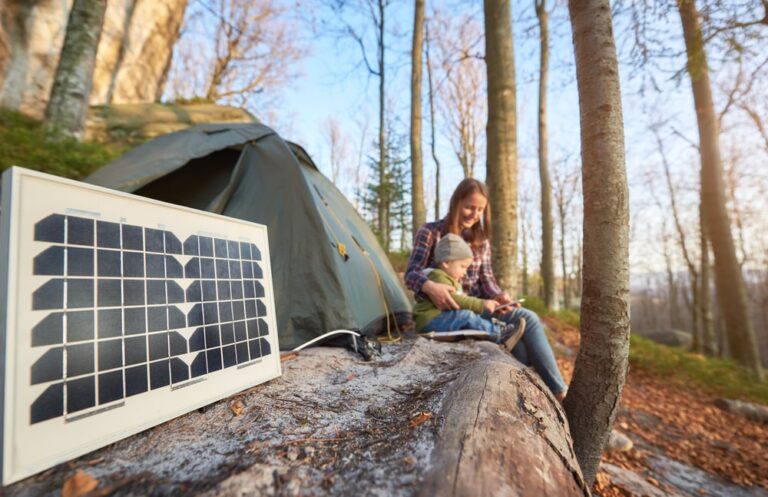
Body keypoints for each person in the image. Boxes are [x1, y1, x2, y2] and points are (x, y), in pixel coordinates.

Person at [405, 178, 567, 401]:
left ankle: (547, 392)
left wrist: (500, 297)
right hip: (447, 311)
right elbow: (411, 273)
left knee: (523, 324)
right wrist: (430, 286)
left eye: (480, 209)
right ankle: (558, 392)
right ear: (456, 203)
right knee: (524, 330)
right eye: (469, 207)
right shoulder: (431, 232)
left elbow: (487, 281)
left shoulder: (481, 241)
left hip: (480, 305)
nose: (474, 214)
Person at [413, 233, 526, 351]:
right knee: (465, 315)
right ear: (446, 263)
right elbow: (454, 299)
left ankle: (495, 330)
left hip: (439, 320)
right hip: (431, 322)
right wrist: (482, 304)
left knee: (467, 316)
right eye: (462, 266)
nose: (465, 272)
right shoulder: (437, 276)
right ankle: (499, 335)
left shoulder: (449, 278)